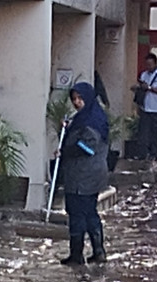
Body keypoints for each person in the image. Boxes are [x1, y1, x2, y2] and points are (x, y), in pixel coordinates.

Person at [57, 82, 109, 265]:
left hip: (84, 175)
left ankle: (77, 254)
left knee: (79, 213)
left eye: (80, 98)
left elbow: (86, 147)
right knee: (88, 212)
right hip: (85, 174)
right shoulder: (87, 117)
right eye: (74, 99)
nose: (77, 103)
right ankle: (97, 251)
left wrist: (65, 151)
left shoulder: (91, 121)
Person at [136, 53, 157, 162]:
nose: (148, 67)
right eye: (147, 65)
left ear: (155, 63)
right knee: (143, 133)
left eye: (150, 65)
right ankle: (142, 154)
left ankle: (154, 154)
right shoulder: (144, 75)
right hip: (145, 108)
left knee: (156, 133)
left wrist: (150, 88)